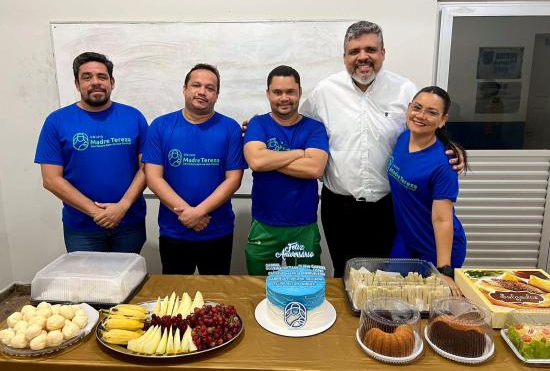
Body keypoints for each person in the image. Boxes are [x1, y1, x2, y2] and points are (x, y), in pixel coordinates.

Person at [301, 21, 464, 277]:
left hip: (388, 208)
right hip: (339, 206)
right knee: (343, 275)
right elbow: (298, 127)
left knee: (386, 280)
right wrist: (258, 129)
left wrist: (450, 146)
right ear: (344, 57)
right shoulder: (324, 91)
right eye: (354, 51)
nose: (362, 57)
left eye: (370, 49)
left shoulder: (405, 90)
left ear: (382, 53)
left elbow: (423, 126)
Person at [35, 52, 148, 253]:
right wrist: (97, 212)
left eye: (101, 77)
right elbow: (51, 179)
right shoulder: (57, 121)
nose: (95, 82)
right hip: (81, 228)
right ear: (77, 84)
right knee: (88, 283)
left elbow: (147, 168)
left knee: (128, 281)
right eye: (87, 77)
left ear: (112, 82)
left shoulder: (134, 117)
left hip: (129, 222)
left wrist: (122, 207)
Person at [142, 63, 246, 275]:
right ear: (185, 89)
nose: (202, 92)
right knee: (176, 300)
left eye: (210, 88)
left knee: (216, 298)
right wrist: (188, 215)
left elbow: (234, 179)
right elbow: (153, 178)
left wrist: (198, 213)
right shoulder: (160, 126)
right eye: (196, 85)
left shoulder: (230, 128)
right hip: (174, 231)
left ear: (217, 95)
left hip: (218, 231)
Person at [243, 66, 329, 275]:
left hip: (303, 226)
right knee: (258, 289)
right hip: (264, 224)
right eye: (277, 92)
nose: (284, 98)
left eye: (290, 92)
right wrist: (299, 152)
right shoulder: (257, 123)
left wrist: (270, 156)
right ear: (268, 94)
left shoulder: (314, 128)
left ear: (299, 92)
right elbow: (256, 161)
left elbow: (314, 169)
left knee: (305, 292)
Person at [388, 86, 468, 276]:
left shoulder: (443, 164)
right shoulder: (403, 137)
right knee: (390, 293)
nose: (421, 116)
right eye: (417, 108)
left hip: (435, 246)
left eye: (432, 113)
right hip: (407, 238)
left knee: (429, 303)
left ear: (443, 120)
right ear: (408, 108)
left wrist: (444, 270)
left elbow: (442, 220)